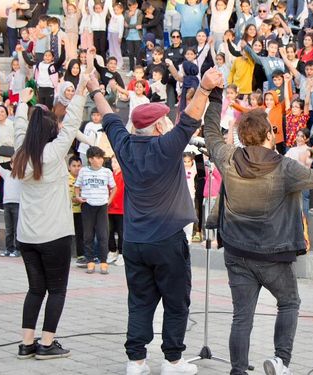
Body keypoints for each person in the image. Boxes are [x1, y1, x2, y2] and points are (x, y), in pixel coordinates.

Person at [203, 62, 313, 374]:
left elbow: (211, 132)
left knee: (242, 315)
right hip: (274, 254)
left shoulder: (228, 158)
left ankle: (238, 370)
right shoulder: (285, 167)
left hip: (237, 252)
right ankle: (281, 362)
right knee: (289, 302)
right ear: (268, 134)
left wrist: (213, 99)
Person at [94, 66, 216, 375]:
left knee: (140, 301)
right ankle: (172, 360)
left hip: (135, 241)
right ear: (159, 127)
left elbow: (109, 118)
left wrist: (95, 88)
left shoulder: (125, 146)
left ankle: (136, 361)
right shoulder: (166, 147)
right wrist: (203, 88)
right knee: (176, 302)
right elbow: (189, 120)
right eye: (164, 120)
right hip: (167, 239)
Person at [11, 78, 84, 359]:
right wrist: (80, 92)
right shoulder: (52, 153)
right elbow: (74, 121)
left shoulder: (21, 154)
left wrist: (21, 104)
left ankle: (26, 343)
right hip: (54, 234)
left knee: (35, 290)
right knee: (56, 290)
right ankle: (46, 344)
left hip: (27, 236)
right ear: (51, 130)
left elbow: (20, 130)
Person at [74, 146, 116, 274]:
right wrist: (78, 197)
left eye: (101, 158)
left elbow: (114, 188)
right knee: (88, 235)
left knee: (103, 234)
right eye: (97, 158)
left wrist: (108, 201)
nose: (100, 160)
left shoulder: (107, 172)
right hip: (87, 206)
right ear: (90, 159)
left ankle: (103, 262)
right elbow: (77, 186)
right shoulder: (83, 171)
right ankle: (90, 261)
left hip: (102, 206)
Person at [0, 152, 22, 257]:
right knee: (9, 229)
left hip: (17, 204)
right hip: (6, 204)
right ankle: (9, 249)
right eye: (13, 163)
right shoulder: (6, 174)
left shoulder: (23, 176)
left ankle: (18, 249)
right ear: (11, 164)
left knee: (17, 229)